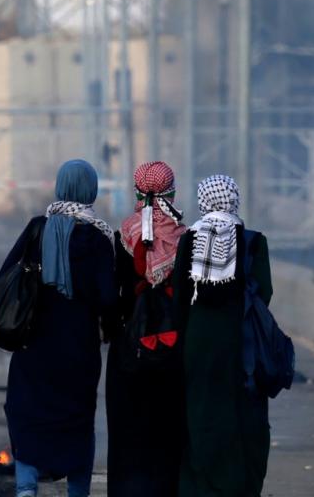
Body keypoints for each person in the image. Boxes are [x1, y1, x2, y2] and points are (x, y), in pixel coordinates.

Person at [0, 159, 117, 497]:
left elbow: (6, 277)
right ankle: (77, 492)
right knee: (77, 421)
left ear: (60, 187)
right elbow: (108, 298)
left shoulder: (37, 229)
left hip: (34, 346)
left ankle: (25, 488)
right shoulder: (98, 238)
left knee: (27, 413)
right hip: (79, 349)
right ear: (90, 190)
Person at [173, 175, 273, 497]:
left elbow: (179, 299)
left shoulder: (189, 240)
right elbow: (265, 293)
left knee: (200, 413)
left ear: (203, 201)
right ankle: (237, 484)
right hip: (240, 343)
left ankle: (200, 486)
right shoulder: (253, 240)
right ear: (234, 199)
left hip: (198, 341)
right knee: (241, 415)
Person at [106, 161, 188, 497]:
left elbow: (116, 294)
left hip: (130, 348)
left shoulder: (123, 234)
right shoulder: (186, 238)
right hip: (174, 348)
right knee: (170, 431)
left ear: (137, 191)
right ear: (171, 191)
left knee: (129, 431)